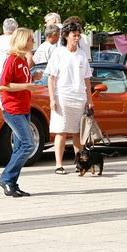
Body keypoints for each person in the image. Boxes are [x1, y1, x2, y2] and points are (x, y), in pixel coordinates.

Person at [46, 21, 93, 174]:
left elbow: (87, 78)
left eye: (79, 35)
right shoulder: (58, 53)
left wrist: (90, 100)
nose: (77, 38)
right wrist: (52, 99)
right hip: (62, 97)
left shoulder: (82, 54)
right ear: (66, 36)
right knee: (61, 131)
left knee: (78, 133)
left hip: (79, 98)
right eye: (74, 35)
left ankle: (79, 163)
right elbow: (51, 78)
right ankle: (58, 164)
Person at [0, 28, 35, 197]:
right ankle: (6, 178)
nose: (33, 42)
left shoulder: (23, 60)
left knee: (20, 147)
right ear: (23, 41)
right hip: (13, 109)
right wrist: (26, 86)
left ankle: (12, 183)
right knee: (28, 145)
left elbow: (20, 82)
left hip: (24, 107)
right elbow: (3, 85)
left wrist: (32, 78)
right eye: (31, 39)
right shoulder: (12, 60)